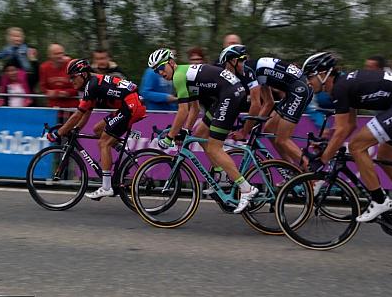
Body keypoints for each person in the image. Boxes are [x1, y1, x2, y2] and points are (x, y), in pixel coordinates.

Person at [301, 52, 392, 222]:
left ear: (323, 74)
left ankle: (379, 200)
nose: (308, 81)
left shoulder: (340, 88)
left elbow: (341, 131)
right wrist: (326, 142)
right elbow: (349, 125)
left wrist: (322, 160)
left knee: (356, 147)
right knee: (384, 157)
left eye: (310, 76)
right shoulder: (343, 85)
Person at [147, 48, 258, 214]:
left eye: (161, 67)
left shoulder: (179, 76)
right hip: (226, 93)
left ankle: (246, 189)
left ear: (171, 63)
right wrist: (185, 130)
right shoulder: (184, 75)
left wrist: (170, 137)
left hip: (230, 94)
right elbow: (194, 108)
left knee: (214, 147)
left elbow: (182, 110)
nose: (160, 72)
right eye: (156, 71)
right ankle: (220, 176)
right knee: (199, 135)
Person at [48, 59, 146, 199]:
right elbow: (86, 113)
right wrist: (76, 129)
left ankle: (106, 187)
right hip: (129, 104)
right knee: (98, 129)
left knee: (104, 143)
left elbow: (77, 115)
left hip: (131, 106)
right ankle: (126, 158)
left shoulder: (91, 85)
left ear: (83, 75)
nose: (71, 81)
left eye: (73, 77)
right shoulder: (92, 84)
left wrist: (58, 133)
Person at [220, 46, 312, 167]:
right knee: (269, 130)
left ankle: (313, 175)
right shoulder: (255, 69)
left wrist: (244, 132)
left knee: (282, 139)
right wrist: (255, 124)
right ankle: (292, 171)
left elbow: (256, 105)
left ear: (233, 61)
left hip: (299, 90)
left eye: (226, 66)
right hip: (295, 90)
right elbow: (269, 103)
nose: (226, 71)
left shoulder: (247, 70)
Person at [39, 44, 79, 121]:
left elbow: (78, 86)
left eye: (61, 53)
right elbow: (43, 87)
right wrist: (51, 92)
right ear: (50, 55)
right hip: (54, 108)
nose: (60, 56)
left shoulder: (71, 65)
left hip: (71, 107)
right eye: (56, 54)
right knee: (54, 130)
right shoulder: (44, 67)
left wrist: (67, 93)